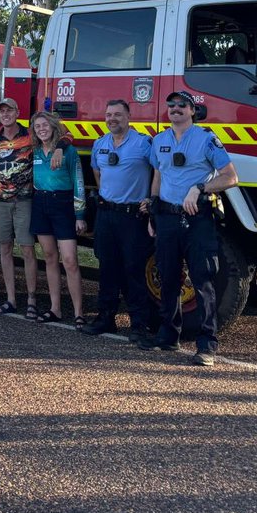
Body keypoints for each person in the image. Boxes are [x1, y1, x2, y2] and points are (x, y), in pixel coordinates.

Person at [140, 90, 238, 365]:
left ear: (192, 110)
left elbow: (231, 177)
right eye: (171, 105)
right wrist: (152, 213)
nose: (175, 109)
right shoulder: (159, 141)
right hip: (167, 218)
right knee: (168, 278)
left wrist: (200, 188)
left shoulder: (207, 140)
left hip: (197, 219)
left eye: (182, 105)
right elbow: (158, 176)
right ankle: (168, 337)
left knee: (203, 280)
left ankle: (207, 345)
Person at [81, 99, 155, 343]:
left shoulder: (144, 143)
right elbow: (97, 172)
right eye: (108, 114)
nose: (112, 118)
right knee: (107, 269)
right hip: (107, 215)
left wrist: (151, 198)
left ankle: (139, 324)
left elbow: (159, 171)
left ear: (128, 116)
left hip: (133, 216)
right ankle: (105, 318)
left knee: (134, 269)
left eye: (118, 114)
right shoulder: (100, 143)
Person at [30, 111, 87, 327]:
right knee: (49, 257)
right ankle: (55, 308)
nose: (42, 129)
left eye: (45, 125)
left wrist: (80, 215)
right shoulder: (34, 150)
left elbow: (79, 182)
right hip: (40, 204)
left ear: (53, 126)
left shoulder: (68, 151)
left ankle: (79, 312)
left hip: (63, 205)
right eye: (37, 126)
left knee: (70, 260)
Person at [0, 97, 38, 320]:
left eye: (10, 111)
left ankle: (32, 299)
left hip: (24, 201)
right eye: (2, 112)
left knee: (27, 249)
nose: (6, 115)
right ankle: (11, 299)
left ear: (18, 112)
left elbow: (61, 135)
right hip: (1, 202)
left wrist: (60, 148)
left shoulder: (30, 135)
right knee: (4, 249)